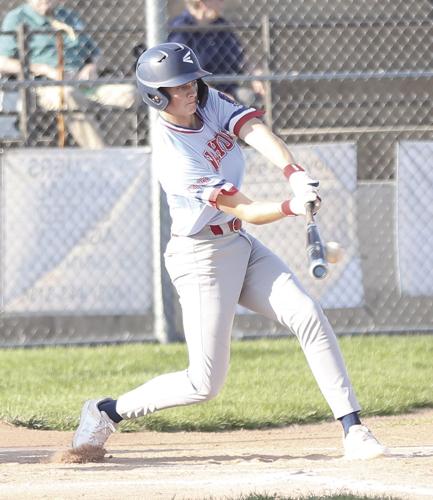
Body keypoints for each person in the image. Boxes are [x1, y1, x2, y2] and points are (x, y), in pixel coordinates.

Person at [72, 42, 387, 461]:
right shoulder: (174, 157)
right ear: (155, 96)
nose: (190, 91)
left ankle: (354, 429)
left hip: (238, 243)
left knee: (307, 315)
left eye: (192, 82)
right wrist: (293, 205)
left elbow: (255, 132)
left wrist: (294, 173)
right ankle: (105, 411)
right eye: (178, 87)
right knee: (204, 384)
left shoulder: (207, 102)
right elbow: (250, 210)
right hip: (200, 259)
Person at [0, 0, 136, 148]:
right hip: (46, 85)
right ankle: (100, 155)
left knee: (129, 94)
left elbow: (96, 53)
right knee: (69, 94)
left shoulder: (68, 16)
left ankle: (114, 152)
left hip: (83, 82)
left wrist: (91, 66)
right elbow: (3, 62)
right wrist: (44, 69)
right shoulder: (17, 18)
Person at [168, 0, 265, 107]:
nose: (222, 3)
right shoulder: (181, 28)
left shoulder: (221, 25)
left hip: (228, 89)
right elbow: (181, 72)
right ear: (200, 2)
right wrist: (216, 94)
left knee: (251, 99)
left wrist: (255, 74)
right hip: (196, 92)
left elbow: (241, 57)